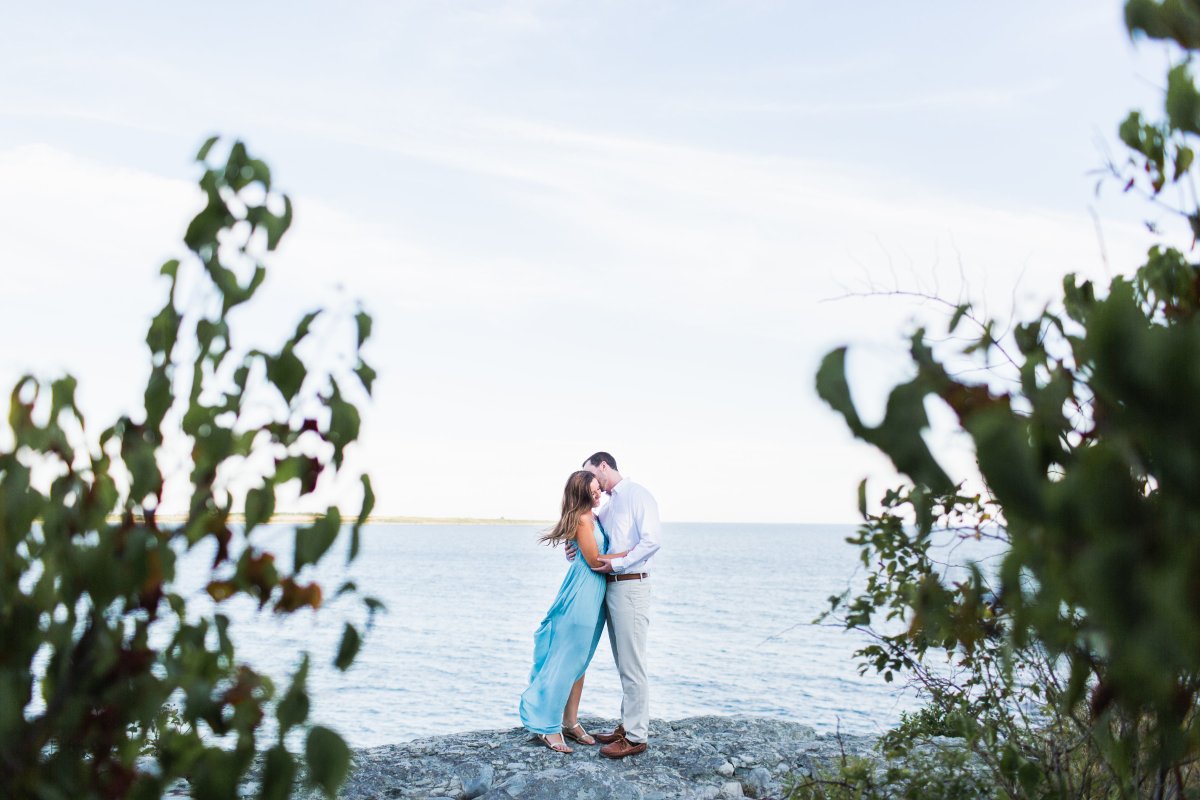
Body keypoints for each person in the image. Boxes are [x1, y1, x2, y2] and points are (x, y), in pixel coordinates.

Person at [519, 470, 629, 753]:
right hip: (582, 594)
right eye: (593, 490)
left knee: (579, 661)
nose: (598, 493)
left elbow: (583, 551)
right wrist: (635, 554)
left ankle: (570, 721)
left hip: (594, 596)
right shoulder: (582, 519)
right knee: (566, 661)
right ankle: (547, 726)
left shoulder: (592, 517)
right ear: (581, 493)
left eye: (598, 489)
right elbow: (593, 560)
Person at [571, 451, 661, 759]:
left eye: (593, 474)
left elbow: (651, 542)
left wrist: (617, 563)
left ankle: (636, 736)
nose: (592, 482)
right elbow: (592, 540)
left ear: (604, 466)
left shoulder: (638, 495)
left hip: (631, 585)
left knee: (633, 663)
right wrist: (573, 549)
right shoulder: (608, 506)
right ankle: (627, 725)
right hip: (612, 587)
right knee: (624, 661)